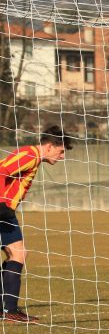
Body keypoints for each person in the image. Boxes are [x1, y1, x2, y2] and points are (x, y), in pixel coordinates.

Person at [0, 125, 73, 322]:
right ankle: (10, 310)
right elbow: (1, 170)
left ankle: (7, 309)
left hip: (6, 212)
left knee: (17, 253)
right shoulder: (30, 155)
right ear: (49, 146)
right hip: (1, 210)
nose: (62, 156)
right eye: (61, 151)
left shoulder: (33, 158)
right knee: (17, 253)